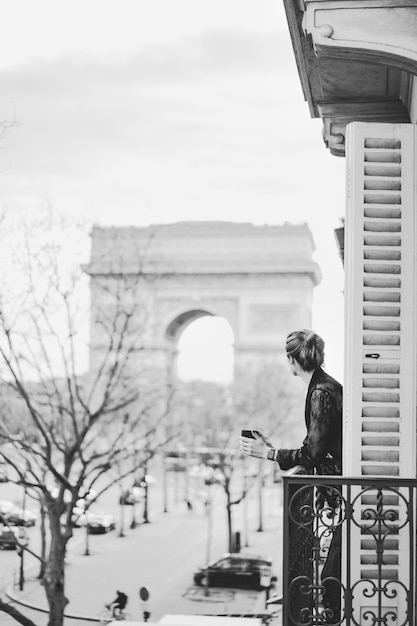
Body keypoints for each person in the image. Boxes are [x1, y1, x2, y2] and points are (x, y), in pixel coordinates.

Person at [239, 329, 342, 624]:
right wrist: (274, 450)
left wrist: (269, 455)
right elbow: (317, 447)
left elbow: (312, 454)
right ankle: (303, 598)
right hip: (334, 493)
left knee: (331, 572)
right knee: (329, 567)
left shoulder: (321, 392)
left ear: (291, 360)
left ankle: (307, 604)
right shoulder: (325, 387)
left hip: (338, 495)